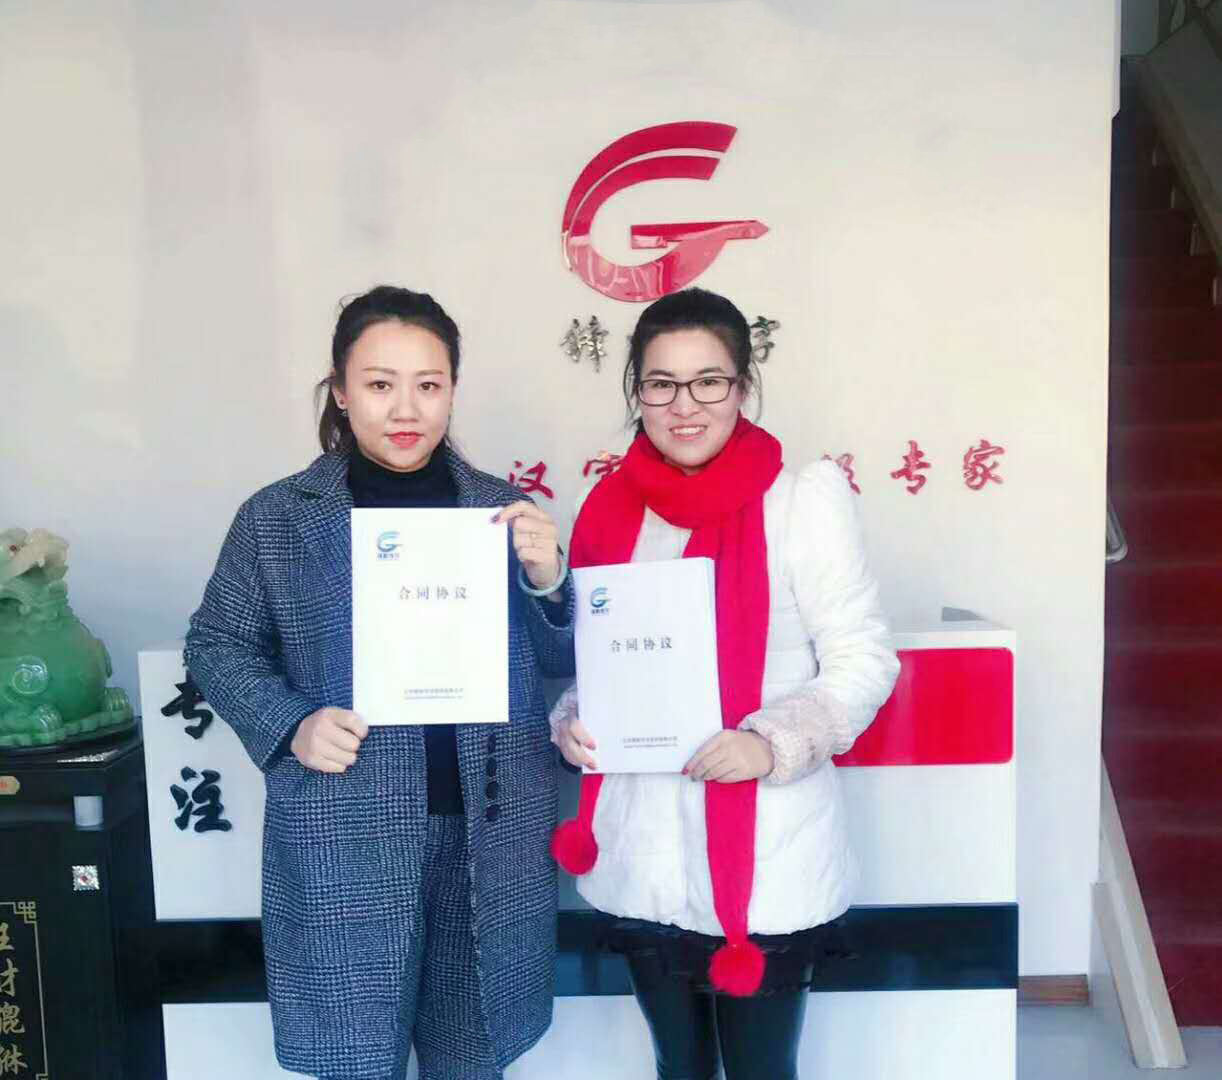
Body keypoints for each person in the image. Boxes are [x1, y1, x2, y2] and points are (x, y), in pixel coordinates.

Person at [185, 285, 575, 1080]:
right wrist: (292, 723)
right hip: (345, 828)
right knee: (355, 1060)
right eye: (379, 383)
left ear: (453, 390)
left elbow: (560, 658)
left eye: (428, 384)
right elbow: (216, 643)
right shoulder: (279, 517)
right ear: (339, 390)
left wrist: (547, 578)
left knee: (473, 1060)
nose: (406, 408)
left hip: (490, 831)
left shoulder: (501, 511)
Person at [550, 287, 900, 1080]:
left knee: (760, 1071)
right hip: (643, 849)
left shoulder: (801, 502)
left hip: (767, 853)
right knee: (678, 1067)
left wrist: (771, 743)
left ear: (743, 385)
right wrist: (573, 718)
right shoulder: (607, 507)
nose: (685, 405)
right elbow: (599, 657)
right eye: (661, 383)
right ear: (636, 390)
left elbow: (864, 658)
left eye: (708, 381)